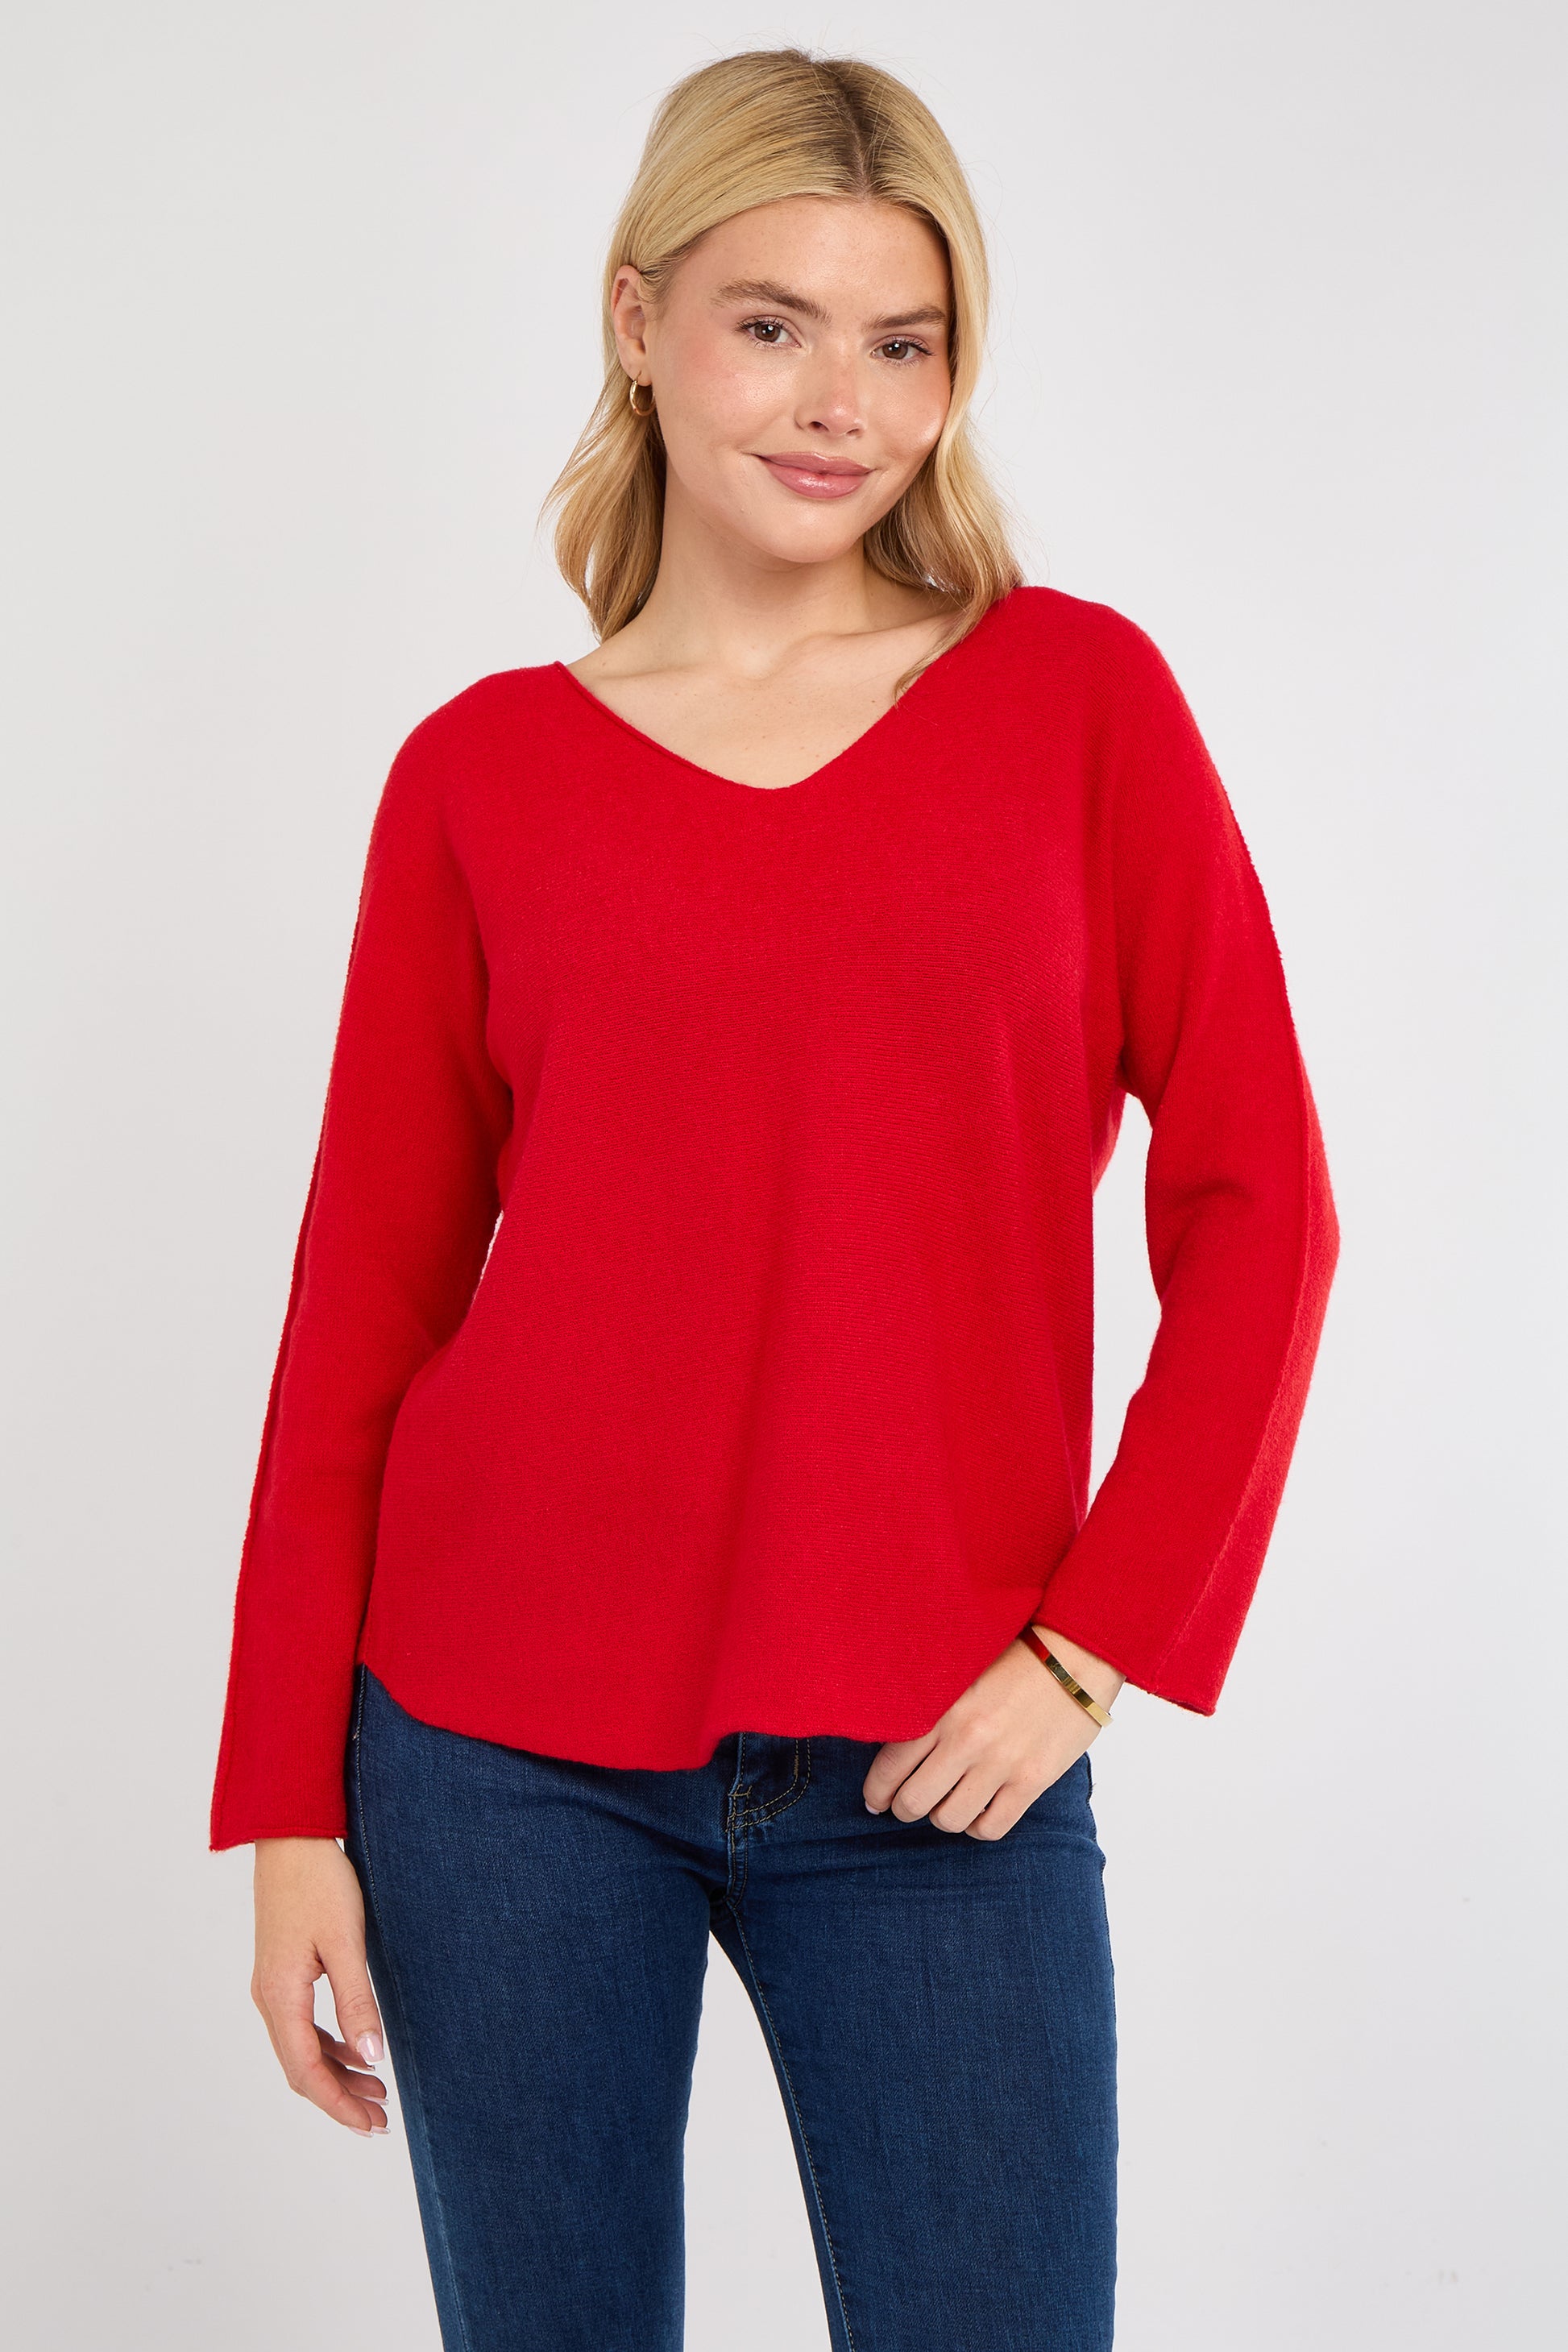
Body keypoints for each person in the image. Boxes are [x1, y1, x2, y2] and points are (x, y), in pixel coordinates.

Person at [211, 45, 1338, 2352]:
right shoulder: (477, 778)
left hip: (943, 1750)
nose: (843, 403)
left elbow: (1262, 1204)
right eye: (771, 324)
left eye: (903, 342)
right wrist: (287, 1807)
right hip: (497, 1753)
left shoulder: (1077, 701)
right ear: (637, 320)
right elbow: (365, 1308)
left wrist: (1094, 1645)